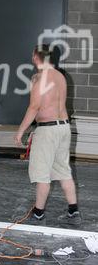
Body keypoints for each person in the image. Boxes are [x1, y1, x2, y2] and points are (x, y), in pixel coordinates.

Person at [15, 44, 81, 225]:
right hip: (63, 128)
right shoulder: (61, 76)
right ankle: (73, 210)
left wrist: (21, 131)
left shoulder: (41, 78)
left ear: (36, 57)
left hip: (48, 129)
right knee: (63, 170)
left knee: (42, 173)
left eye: (32, 56)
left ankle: (38, 212)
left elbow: (34, 107)